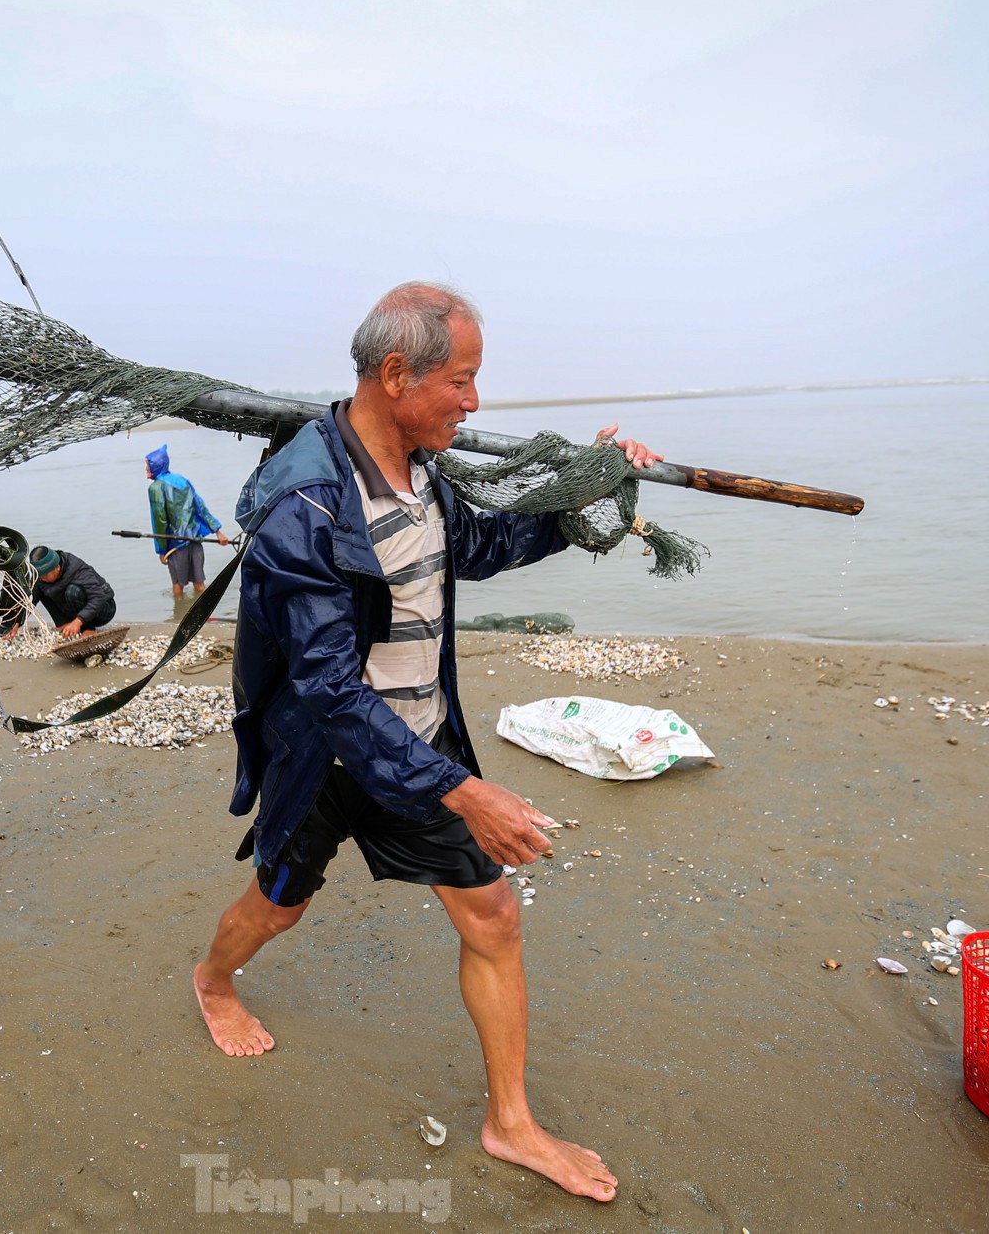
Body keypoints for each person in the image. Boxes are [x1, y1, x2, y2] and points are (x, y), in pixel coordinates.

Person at [190, 283, 660, 1204]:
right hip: (326, 754)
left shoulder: (418, 464)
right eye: (463, 379)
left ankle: (511, 1123)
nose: (475, 402)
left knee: (493, 916)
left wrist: (588, 493)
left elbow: (474, 547)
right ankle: (212, 981)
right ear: (396, 374)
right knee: (280, 906)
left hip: (420, 744)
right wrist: (467, 791)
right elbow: (327, 689)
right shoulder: (309, 506)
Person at [145, 445, 230, 598]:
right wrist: (218, 532)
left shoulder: (156, 488)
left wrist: (162, 549)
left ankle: (178, 617)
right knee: (199, 583)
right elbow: (200, 506)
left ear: (156, 465)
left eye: (147, 466)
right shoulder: (182, 480)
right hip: (195, 539)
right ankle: (207, 614)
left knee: (177, 585)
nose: (146, 470)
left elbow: (160, 521)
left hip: (175, 543)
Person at [0, 543, 117, 639]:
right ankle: (63, 624)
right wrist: (16, 622)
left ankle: (88, 628)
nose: (42, 578)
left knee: (72, 591)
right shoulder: (40, 576)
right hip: (77, 609)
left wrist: (78, 622)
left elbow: (98, 598)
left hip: (104, 609)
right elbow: (30, 601)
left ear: (57, 567)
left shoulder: (77, 568)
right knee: (41, 589)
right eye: (40, 575)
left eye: (45, 575)